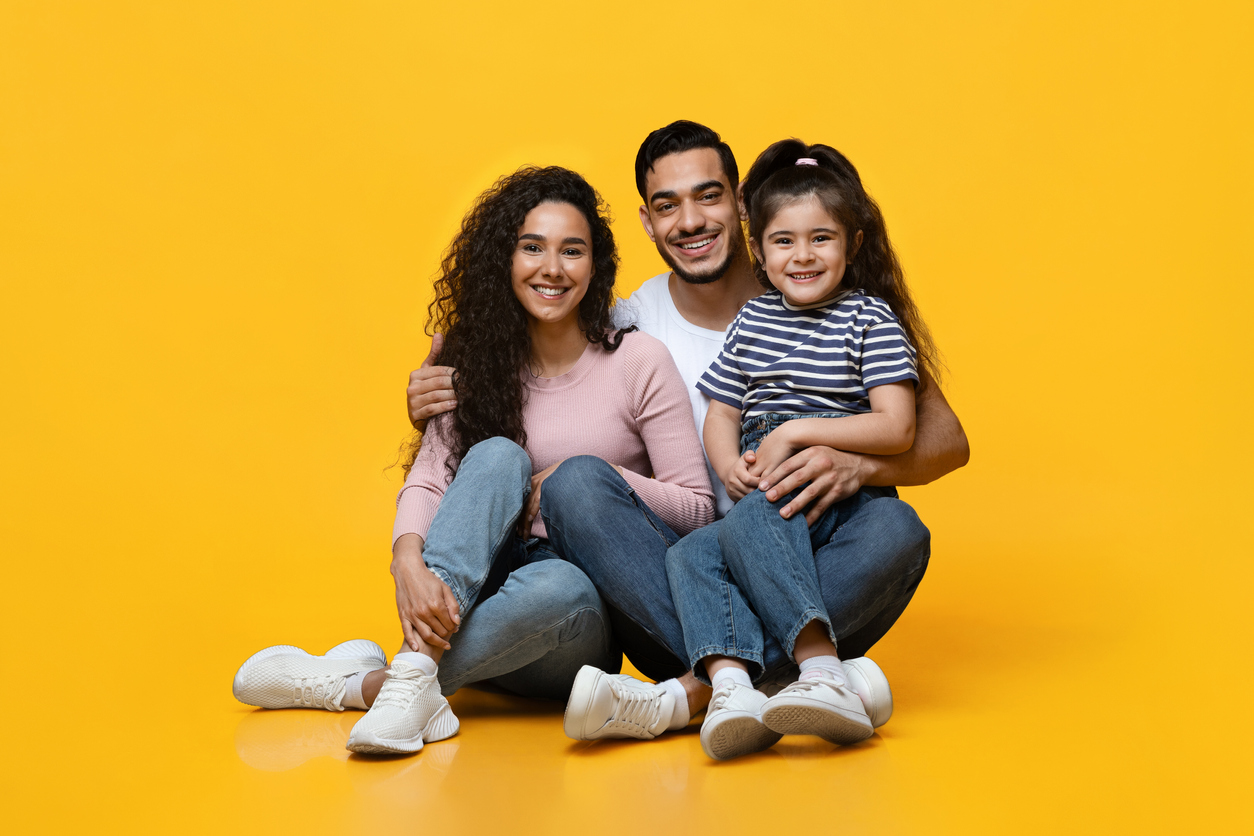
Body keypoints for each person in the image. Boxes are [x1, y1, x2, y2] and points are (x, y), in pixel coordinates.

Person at [405, 121, 970, 744]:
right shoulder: (630, 322)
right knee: (580, 486)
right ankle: (807, 678)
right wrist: (441, 401)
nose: (691, 221)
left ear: (741, 204)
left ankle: (694, 694)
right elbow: (544, 378)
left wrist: (860, 467)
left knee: (897, 529)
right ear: (648, 222)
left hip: (815, 552)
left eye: (708, 196)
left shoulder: (824, 298)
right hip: (676, 576)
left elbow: (945, 436)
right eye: (668, 206)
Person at [232, 166, 714, 756]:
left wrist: (598, 477)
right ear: (503, 259)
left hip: (571, 624)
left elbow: (696, 509)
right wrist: (407, 560)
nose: (552, 269)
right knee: (495, 456)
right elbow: (432, 476)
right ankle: (415, 681)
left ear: (597, 265)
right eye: (531, 248)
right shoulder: (471, 356)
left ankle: (359, 684)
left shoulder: (637, 360)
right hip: (476, 589)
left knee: (560, 582)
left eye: (573, 251)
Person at [666, 139, 935, 760]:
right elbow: (722, 409)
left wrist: (796, 432)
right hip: (762, 474)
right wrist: (728, 459)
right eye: (784, 241)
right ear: (758, 251)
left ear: (853, 245)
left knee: (760, 517)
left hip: (833, 485)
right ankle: (733, 690)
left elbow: (897, 428)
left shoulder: (870, 320)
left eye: (822, 238)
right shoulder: (754, 320)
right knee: (691, 555)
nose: (804, 256)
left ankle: (822, 672)